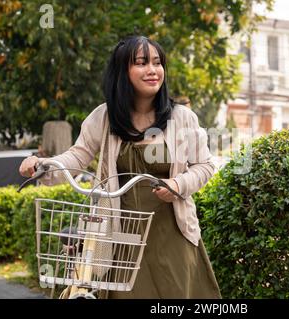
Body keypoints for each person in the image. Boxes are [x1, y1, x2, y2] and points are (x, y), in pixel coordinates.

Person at [19, 35, 221, 299]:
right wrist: (43, 165)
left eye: (157, 63)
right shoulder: (103, 118)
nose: (152, 70)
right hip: (121, 240)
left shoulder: (181, 118)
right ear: (122, 72)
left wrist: (178, 185)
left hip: (173, 234)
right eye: (141, 63)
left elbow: (205, 165)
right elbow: (75, 158)